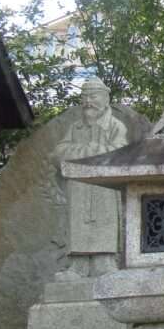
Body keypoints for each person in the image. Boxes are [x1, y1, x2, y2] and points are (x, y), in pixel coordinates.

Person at [53, 77, 128, 277]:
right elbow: (60, 152)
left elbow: (119, 153)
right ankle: (78, 265)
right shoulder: (76, 128)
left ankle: (105, 261)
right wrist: (90, 151)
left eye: (93, 96)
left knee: (104, 221)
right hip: (78, 186)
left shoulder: (115, 126)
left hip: (104, 186)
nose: (88, 102)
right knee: (78, 222)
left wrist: (86, 153)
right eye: (84, 97)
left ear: (105, 99)